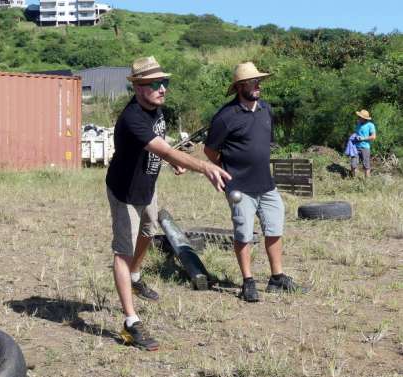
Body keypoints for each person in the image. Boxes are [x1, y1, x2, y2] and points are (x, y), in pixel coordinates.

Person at [106, 56, 231, 351]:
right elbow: (161, 147)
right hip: (124, 191)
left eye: (165, 82)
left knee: (148, 232)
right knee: (122, 250)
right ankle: (130, 321)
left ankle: (136, 276)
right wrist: (203, 166)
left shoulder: (157, 110)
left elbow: (161, 145)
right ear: (138, 88)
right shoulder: (133, 117)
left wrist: (170, 160)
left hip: (147, 186)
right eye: (155, 84)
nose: (163, 89)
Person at [204, 62, 305, 303]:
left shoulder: (265, 110)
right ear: (240, 87)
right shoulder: (226, 116)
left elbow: (264, 143)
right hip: (239, 186)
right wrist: (226, 173)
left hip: (266, 184)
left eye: (259, 81)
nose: (257, 86)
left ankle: (277, 278)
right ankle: (248, 282)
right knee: (243, 233)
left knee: (274, 228)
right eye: (252, 82)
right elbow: (210, 151)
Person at [350, 109, 376, 178]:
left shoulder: (370, 125)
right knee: (353, 164)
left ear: (364, 118)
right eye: (359, 116)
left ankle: (367, 183)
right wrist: (354, 137)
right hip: (355, 147)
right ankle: (353, 180)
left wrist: (362, 138)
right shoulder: (358, 123)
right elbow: (357, 133)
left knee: (366, 166)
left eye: (360, 117)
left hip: (365, 148)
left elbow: (373, 137)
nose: (358, 117)